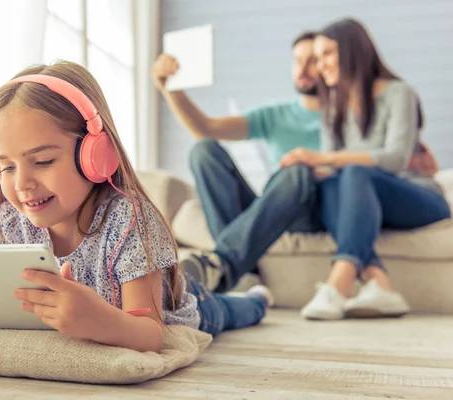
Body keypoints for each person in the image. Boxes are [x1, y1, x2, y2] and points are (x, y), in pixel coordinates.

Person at [0, 60, 274, 352]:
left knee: (228, 311)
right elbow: (4, 301)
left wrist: (99, 319)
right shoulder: (14, 219)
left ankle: (254, 299)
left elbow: (151, 333)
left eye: (43, 160)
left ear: (95, 155)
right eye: (6, 166)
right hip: (149, 281)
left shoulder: (129, 219)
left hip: (187, 305)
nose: (22, 184)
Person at [152, 30, 440, 295]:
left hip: (321, 205)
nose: (305, 68)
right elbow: (207, 128)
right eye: (298, 60)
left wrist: (414, 165)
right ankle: (242, 270)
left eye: (315, 59)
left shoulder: (348, 110)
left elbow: (385, 159)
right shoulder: (277, 115)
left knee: (300, 171)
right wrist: (170, 90)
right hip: (275, 202)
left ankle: (225, 263)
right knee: (204, 150)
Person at [278, 18, 451, 320]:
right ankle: (379, 283)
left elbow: (396, 158)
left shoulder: (399, 93)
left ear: (353, 50)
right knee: (332, 184)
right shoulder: (332, 106)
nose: (321, 65)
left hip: (419, 198)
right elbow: (329, 168)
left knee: (353, 172)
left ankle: (340, 281)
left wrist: (327, 158)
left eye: (327, 54)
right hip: (364, 201)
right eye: (317, 58)